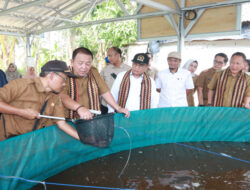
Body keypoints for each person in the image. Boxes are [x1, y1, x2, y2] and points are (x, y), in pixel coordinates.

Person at [0, 60, 80, 141]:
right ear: (51, 76)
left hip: (31, 145)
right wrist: (21, 112)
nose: (65, 84)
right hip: (8, 143)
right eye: (64, 79)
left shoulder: (55, 97)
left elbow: (62, 123)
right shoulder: (21, 85)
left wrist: (83, 139)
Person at [60, 47, 130, 120]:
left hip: (93, 119)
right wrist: (79, 108)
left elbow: (104, 91)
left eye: (87, 64)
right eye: (80, 63)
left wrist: (118, 108)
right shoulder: (64, 75)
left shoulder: (93, 71)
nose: (84, 67)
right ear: (72, 62)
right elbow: (63, 97)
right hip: (71, 120)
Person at [100, 47, 131, 114]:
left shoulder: (128, 70)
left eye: (110, 56)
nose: (108, 58)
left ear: (118, 55)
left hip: (121, 105)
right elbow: (99, 84)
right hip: (105, 104)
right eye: (108, 56)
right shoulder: (105, 70)